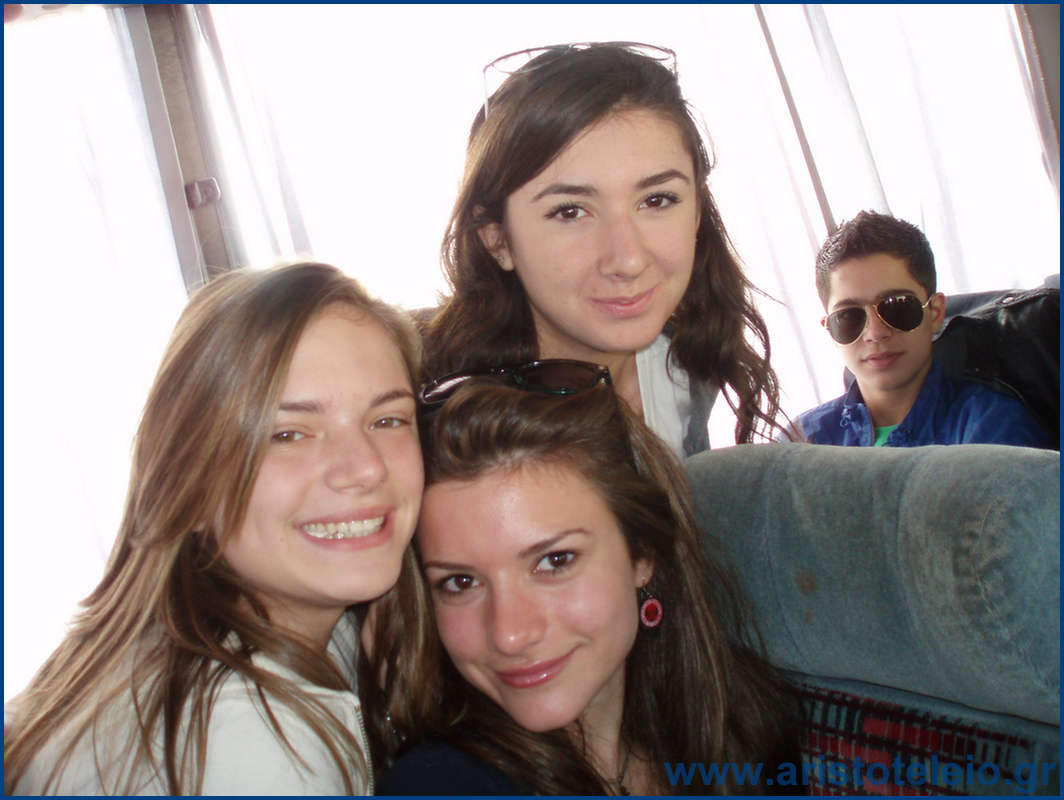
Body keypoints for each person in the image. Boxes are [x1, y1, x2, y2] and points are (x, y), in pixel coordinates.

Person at [4, 262, 426, 794]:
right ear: (190, 479)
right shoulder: (258, 753)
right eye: (288, 434)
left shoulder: (169, 648)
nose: (365, 468)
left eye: (387, 420)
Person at [367, 371, 800, 795]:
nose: (509, 634)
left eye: (554, 561)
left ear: (642, 553)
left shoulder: (746, 734)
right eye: (460, 582)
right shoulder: (435, 786)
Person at [421, 42, 785, 455]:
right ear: (496, 238)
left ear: (698, 210)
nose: (628, 260)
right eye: (570, 211)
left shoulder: (686, 367)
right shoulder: (439, 430)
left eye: (657, 200)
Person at [794, 211, 1051, 448]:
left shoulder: (991, 426)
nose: (875, 333)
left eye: (897, 307)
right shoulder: (802, 440)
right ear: (829, 330)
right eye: (849, 317)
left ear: (935, 312)